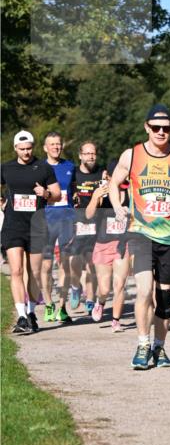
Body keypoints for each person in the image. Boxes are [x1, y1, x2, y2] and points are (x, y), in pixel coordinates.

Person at [109, 105, 170, 369]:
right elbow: (114, 183)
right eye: (156, 127)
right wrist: (117, 207)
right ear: (146, 127)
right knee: (144, 290)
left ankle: (159, 347)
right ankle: (143, 344)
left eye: (166, 128)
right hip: (141, 232)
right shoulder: (132, 155)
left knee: (165, 299)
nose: (161, 132)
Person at [1, 131, 61, 333]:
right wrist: (1, 203)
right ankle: (21, 316)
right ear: (15, 148)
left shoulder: (43, 167)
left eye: (29, 148)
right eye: (22, 149)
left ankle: (32, 311)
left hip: (36, 226)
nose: (26, 152)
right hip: (13, 225)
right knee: (16, 271)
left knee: (34, 273)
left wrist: (46, 193)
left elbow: (57, 194)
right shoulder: (6, 168)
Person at [85, 160, 131, 327]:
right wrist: (95, 197)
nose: (123, 178)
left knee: (119, 284)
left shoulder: (131, 193)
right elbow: (89, 215)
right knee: (104, 289)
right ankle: (100, 301)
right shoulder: (103, 194)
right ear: (110, 176)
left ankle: (116, 320)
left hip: (123, 244)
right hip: (103, 244)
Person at [40, 131, 76, 324]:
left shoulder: (70, 166)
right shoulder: (38, 167)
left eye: (58, 144)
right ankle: (48, 303)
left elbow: (75, 192)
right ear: (45, 148)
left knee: (65, 265)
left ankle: (61, 307)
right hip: (45, 221)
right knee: (45, 266)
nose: (56, 147)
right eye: (52, 144)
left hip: (66, 221)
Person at [70, 142, 106, 314]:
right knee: (75, 260)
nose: (90, 156)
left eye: (93, 153)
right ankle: (76, 286)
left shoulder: (102, 173)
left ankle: (90, 298)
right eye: (87, 153)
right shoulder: (74, 174)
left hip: (96, 222)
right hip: (78, 221)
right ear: (80, 156)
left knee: (92, 262)